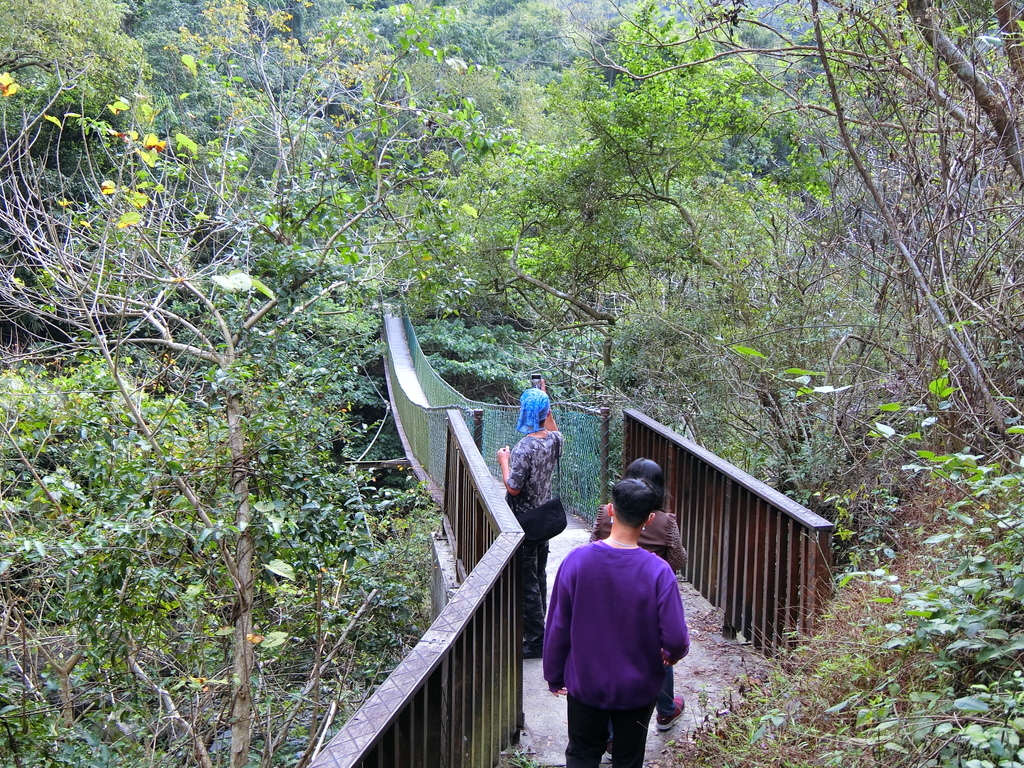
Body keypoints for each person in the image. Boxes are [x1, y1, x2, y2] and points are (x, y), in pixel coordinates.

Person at [544, 477, 690, 768]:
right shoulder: (659, 572)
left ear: (610, 510)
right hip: (638, 686)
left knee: (582, 752)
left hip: (586, 681)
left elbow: (558, 624)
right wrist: (671, 655)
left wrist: (555, 674)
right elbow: (676, 638)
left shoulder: (577, 561)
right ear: (648, 519)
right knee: (629, 755)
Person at [591, 458, 687, 733]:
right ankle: (666, 710)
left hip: (607, 593)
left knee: (610, 653)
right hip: (649, 597)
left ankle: (609, 736)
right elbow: (678, 561)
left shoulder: (606, 514)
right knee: (661, 652)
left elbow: (593, 545)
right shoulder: (666, 522)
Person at [496, 379, 562, 659]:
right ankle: (540, 630)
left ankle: (535, 641)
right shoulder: (554, 440)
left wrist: (503, 460)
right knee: (540, 573)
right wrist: (544, 399)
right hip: (544, 517)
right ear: (546, 412)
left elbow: (513, 487)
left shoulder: (523, 448)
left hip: (524, 521)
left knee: (527, 581)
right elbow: (552, 426)